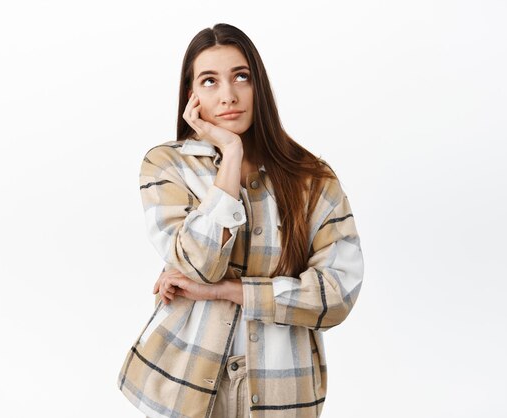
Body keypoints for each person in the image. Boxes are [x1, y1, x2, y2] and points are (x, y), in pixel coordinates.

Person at [117, 23, 364, 418]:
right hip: (184, 384)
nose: (229, 95)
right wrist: (230, 154)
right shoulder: (167, 166)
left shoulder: (312, 179)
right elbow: (199, 263)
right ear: (191, 96)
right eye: (210, 81)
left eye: (241, 77)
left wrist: (226, 291)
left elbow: (337, 296)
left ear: (258, 86)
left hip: (284, 388)